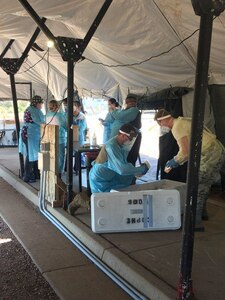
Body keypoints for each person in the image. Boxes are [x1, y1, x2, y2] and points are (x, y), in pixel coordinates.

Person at [154, 108, 225, 228]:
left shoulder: (177, 127)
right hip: (216, 150)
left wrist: (174, 161)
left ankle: (194, 222)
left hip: (208, 153)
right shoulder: (182, 121)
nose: (161, 127)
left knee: (196, 185)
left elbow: (185, 151)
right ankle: (202, 213)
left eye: (159, 124)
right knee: (204, 183)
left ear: (163, 121)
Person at [89, 123, 149, 193]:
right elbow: (122, 169)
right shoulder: (111, 146)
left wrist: (135, 172)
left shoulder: (121, 145)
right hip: (100, 179)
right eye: (129, 139)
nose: (130, 141)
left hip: (110, 175)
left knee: (128, 179)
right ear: (122, 135)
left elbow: (123, 163)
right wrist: (140, 169)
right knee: (102, 200)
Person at [19, 95, 45, 183]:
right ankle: (27, 176)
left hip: (29, 134)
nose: (41, 105)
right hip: (30, 134)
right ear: (37, 103)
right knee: (31, 155)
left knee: (33, 155)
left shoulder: (31, 109)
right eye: (41, 103)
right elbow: (40, 121)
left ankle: (35, 174)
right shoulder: (33, 110)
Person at [110, 96, 142, 166]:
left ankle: (129, 174)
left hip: (132, 134)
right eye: (128, 102)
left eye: (132, 102)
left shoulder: (134, 110)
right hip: (129, 134)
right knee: (125, 155)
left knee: (129, 155)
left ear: (135, 103)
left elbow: (120, 116)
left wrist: (113, 111)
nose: (130, 103)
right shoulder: (127, 110)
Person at [46, 100, 67, 176]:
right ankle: (58, 174)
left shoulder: (47, 115)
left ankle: (50, 173)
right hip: (59, 139)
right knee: (60, 158)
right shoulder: (60, 115)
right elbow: (65, 125)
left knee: (50, 156)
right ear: (57, 107)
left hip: (48, 139)